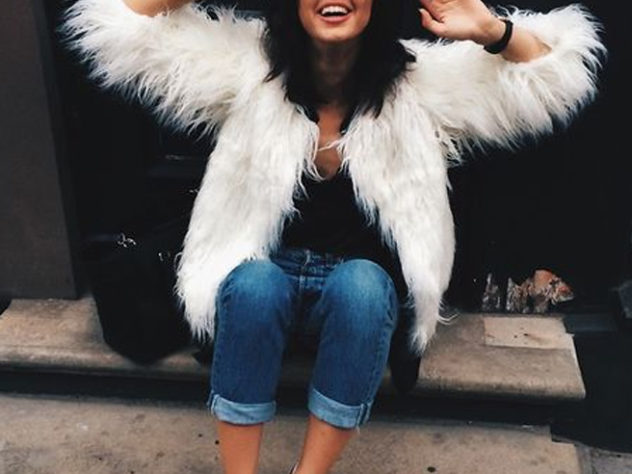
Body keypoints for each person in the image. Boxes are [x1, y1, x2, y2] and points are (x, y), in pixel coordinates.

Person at [59, 0, 605, 472]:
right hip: (263, 293)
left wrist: (493, 31)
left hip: (359, 303)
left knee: (362, 285)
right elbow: (118, 31)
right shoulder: (249, 67)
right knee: (254, 285)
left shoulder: (418, 85)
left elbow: (558, 74)